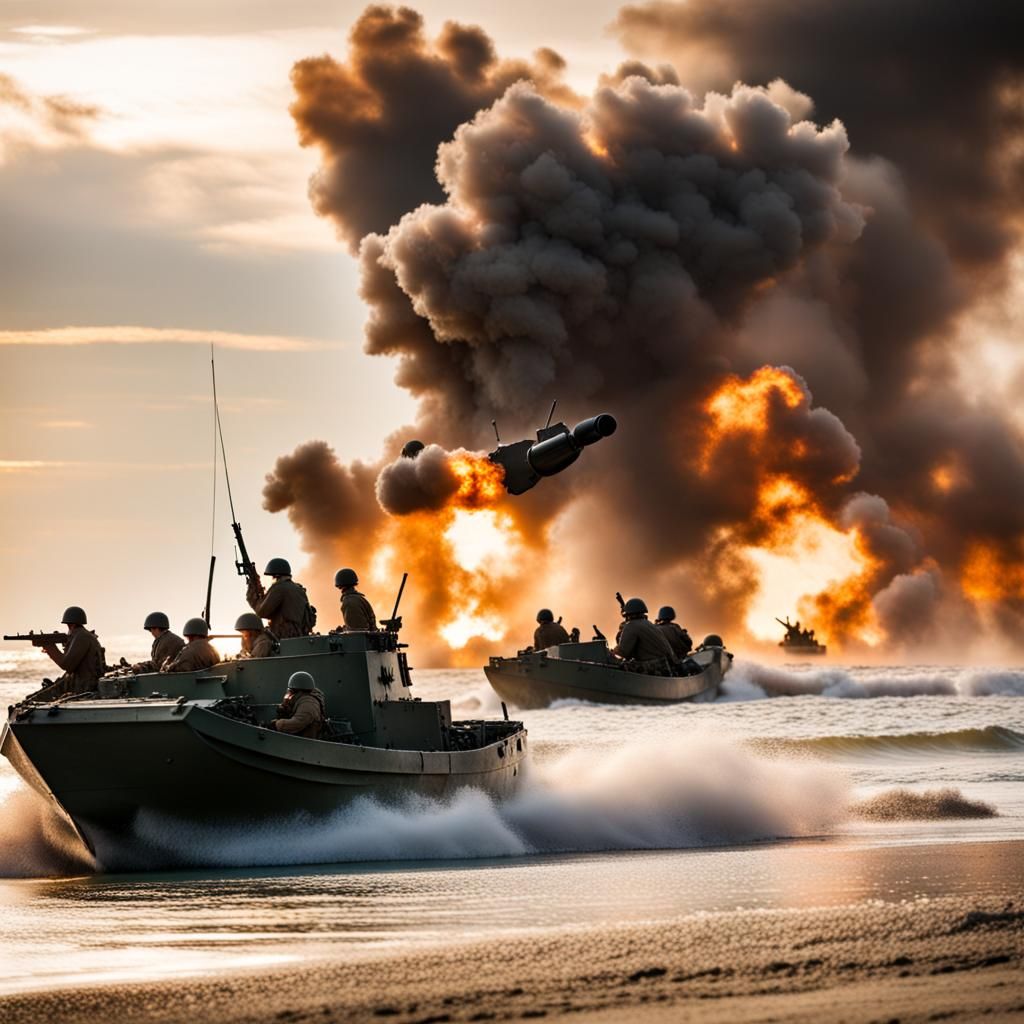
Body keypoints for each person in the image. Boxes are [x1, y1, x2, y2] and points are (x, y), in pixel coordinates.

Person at [39, 606, 105, 696]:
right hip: (85, 684)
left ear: (72, 625)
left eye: (68, 626)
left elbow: (67, 665)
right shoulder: (83, 635)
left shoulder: (82, 637)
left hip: (86, 687)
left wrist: (50, 647)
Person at [248, 558, 313, 639]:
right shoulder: (298, 589)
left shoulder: (280, 588)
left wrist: (253, 596)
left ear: (276, 575)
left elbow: (262, 612)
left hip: (285, 637)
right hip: (299, 636)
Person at [612, 598, 674, 674]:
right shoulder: (649, 624)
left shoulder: (631, 625)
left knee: (619, 667)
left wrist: (610, 653)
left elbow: (623, 652)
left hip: (653, 667)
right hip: (664, 666)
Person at [270, 670, 326, 738]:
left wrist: (276, 724)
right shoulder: (300, 699)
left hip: (305, 742)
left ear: (297, 690)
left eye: (291, 690)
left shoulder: (309, 703)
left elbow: (297, 723)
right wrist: (284, 710)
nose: (289, 693)